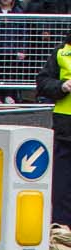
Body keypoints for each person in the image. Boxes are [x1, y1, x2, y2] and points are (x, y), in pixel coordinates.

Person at [41, 26, 71, 219]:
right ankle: (61, 236)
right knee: (62, 190)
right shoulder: (61, 52)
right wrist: (62, 86)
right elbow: (43, 83)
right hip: (66, 131)